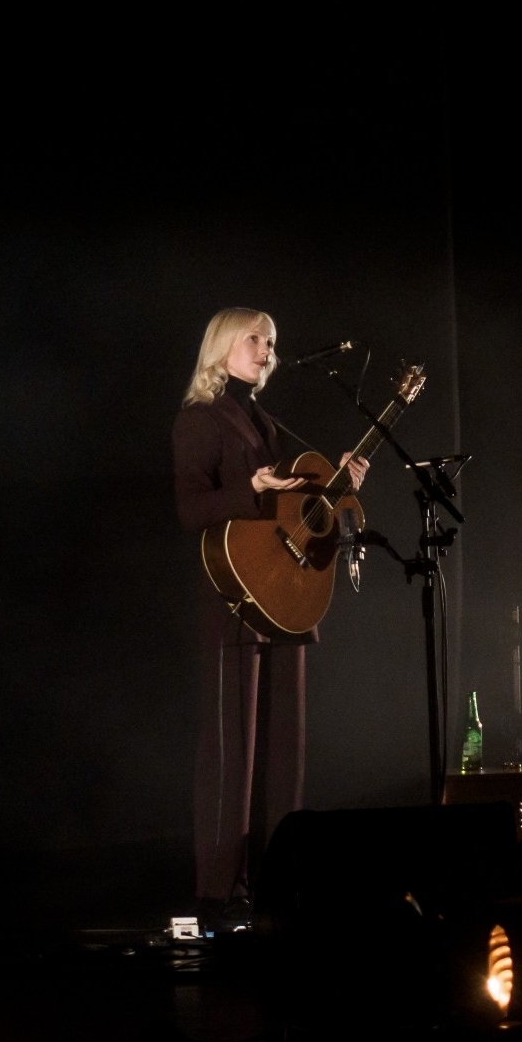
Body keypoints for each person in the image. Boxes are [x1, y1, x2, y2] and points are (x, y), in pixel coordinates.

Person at [172, 307, 368, 932]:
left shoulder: (266, 423)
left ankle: (279, 881)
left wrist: (339, 489)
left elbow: (295, 516)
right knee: (230, 753)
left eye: (273, 342)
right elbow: (191, 508)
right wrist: (253, 491)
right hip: (232, 599)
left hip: (282, 598)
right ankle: (216, 892)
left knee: (286, 753)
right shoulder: (201, 419)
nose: (267, 350)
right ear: (222, 346)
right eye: (255, 338)